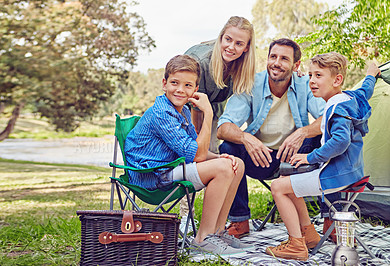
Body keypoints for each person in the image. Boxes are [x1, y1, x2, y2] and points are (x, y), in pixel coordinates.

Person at [124, 55, 249, 256]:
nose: (180, 90)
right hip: (152, 175)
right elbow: (197, 156)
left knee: (237, 164)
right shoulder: (162, 113)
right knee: (224, 168)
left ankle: (217, 232)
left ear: (195, 89)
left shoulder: (180, 112)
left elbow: (195, 149)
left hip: (169, 168)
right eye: (175, 83)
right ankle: (203, 238)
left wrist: (219, 158)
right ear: (164, 84)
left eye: (187, 85)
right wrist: (208, 113)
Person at [265, 53, 380, 261]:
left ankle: (295, 245)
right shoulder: (351, 98)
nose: (312, 81)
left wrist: (310, 157)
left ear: (337, 80)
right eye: (310, 75)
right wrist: (371, 74)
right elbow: (366, 90)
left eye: (318, 75)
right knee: (286, 184)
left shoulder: (337, 108)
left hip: (336, 176)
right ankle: (308, 235)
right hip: (351, 173)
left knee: (277, 187)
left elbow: (340, 142)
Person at [217, 38, 333, 239]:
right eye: (273, 57)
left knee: (329, 138)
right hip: (260, 157)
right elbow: (223, 127)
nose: (277, 63)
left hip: (296, 157)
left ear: (296, 65)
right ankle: (239, 220)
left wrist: (303, 132)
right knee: (228, 147)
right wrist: (246, 137)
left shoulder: (306, 84)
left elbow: (330, 116)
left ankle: (331, 219)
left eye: (284, 59)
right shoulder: (251, 84)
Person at [178, 16, 256, 227]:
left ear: (247, 47)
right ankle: (187, 216)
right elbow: (193, 106)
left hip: (211, 108)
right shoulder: (203, 62)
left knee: (215, 157)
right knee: (193, 158)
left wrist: (298, 76)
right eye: (228, 39)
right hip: (184, 106)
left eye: (239, 43)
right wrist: (197, 146)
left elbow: (259, 83)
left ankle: (215, 224)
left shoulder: (242, 66)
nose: (231, 47)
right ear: (221, 37)